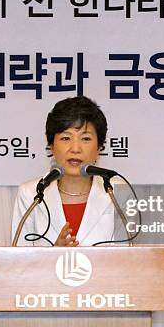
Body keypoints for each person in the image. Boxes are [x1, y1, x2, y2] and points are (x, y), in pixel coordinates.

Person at [11, 96, 120, 246]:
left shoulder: (118, 192)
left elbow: (132, 260)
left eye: (86, 139)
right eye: (65, 138)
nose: (75, 149)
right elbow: (19, 263)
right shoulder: (30, 194)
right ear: (51, 146)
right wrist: (55, 254)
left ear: (99, 147)